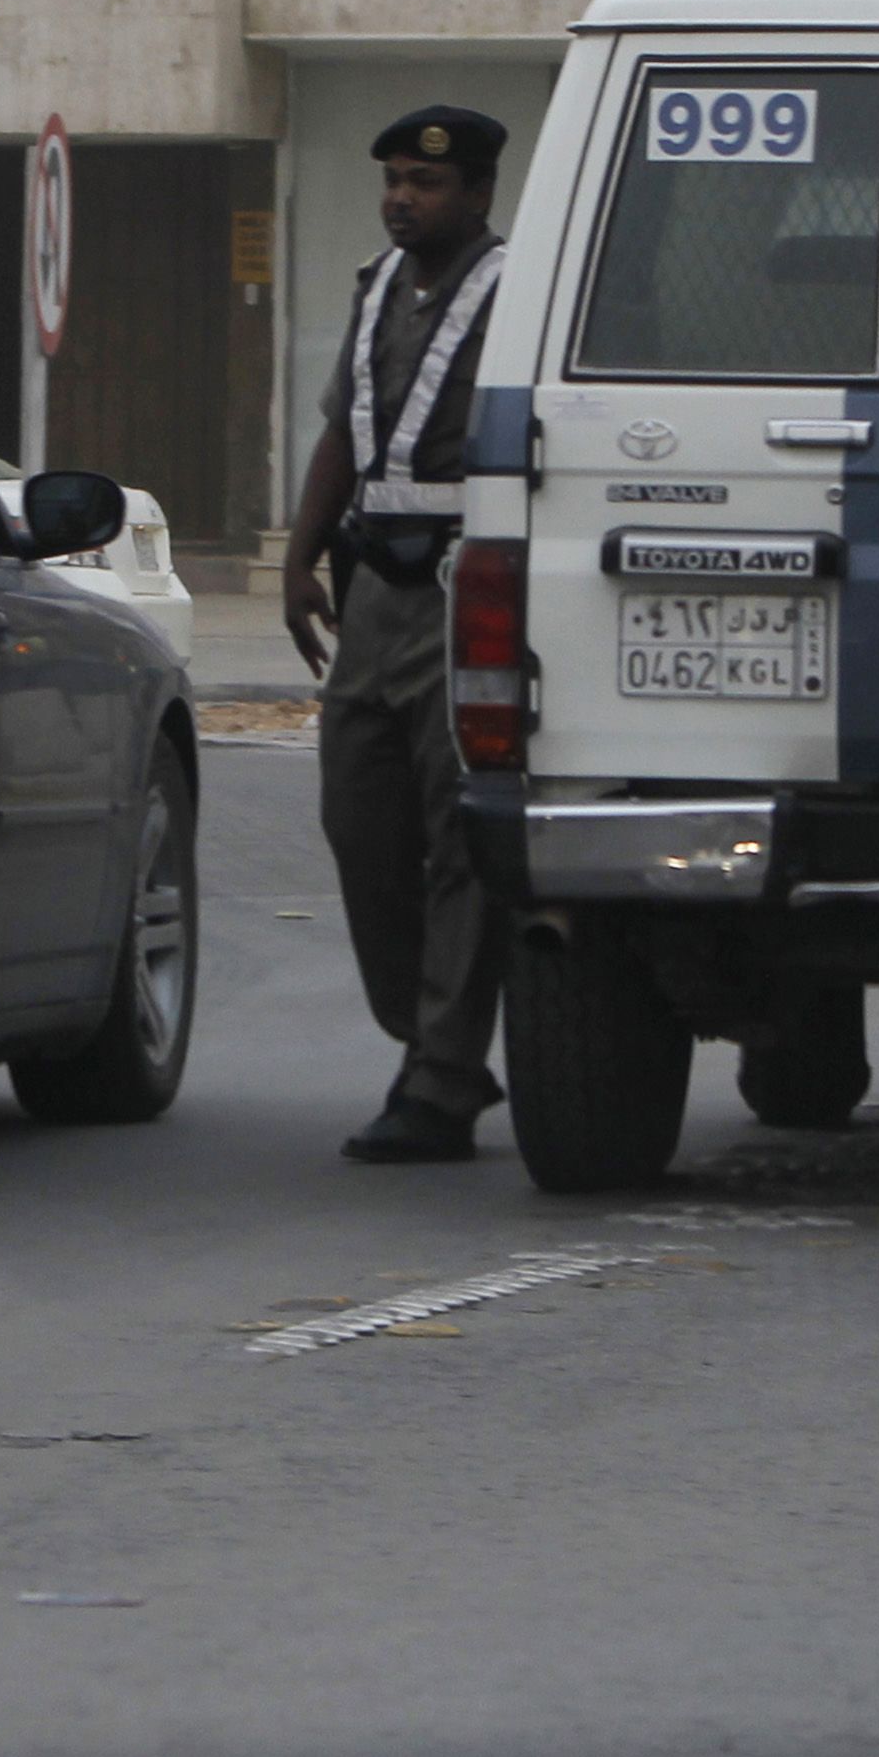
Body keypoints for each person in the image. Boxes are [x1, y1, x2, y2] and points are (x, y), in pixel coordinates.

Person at [280, 105, 513, 1163]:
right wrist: (297, 555)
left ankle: (440, 1079)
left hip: (466, 587)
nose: (401, 198)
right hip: (374, 585)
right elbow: (344, 430)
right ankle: (428, 1035)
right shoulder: (376, 287)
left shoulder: (516, 290)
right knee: (359, 820)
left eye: (423, 185)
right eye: (390, 181)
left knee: (457, 833)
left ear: (474, 195)